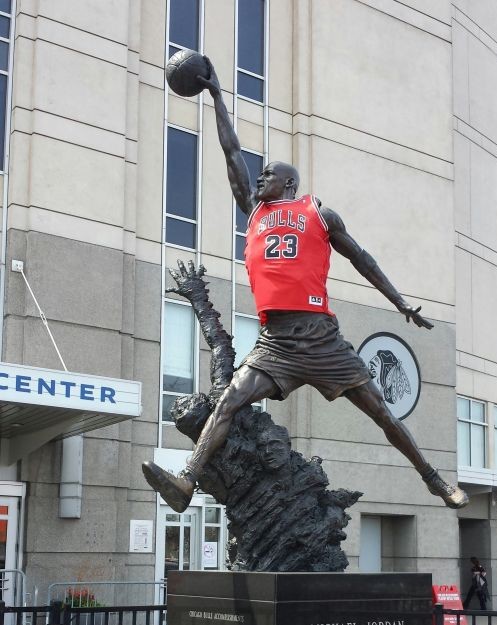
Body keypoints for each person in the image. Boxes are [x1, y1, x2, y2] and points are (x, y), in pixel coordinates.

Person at [142, 58, 469, 514]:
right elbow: (231, 152)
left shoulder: (318, 212)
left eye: (270, 174)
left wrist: (400, 303)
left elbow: (362, 258)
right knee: (229, 401)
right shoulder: (255, 212)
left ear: (289, 183)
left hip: (321, 336)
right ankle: (186, 481)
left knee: (381, 413)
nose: (260, 178)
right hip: (276, 341)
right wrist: (217, 98)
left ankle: (436, 482)